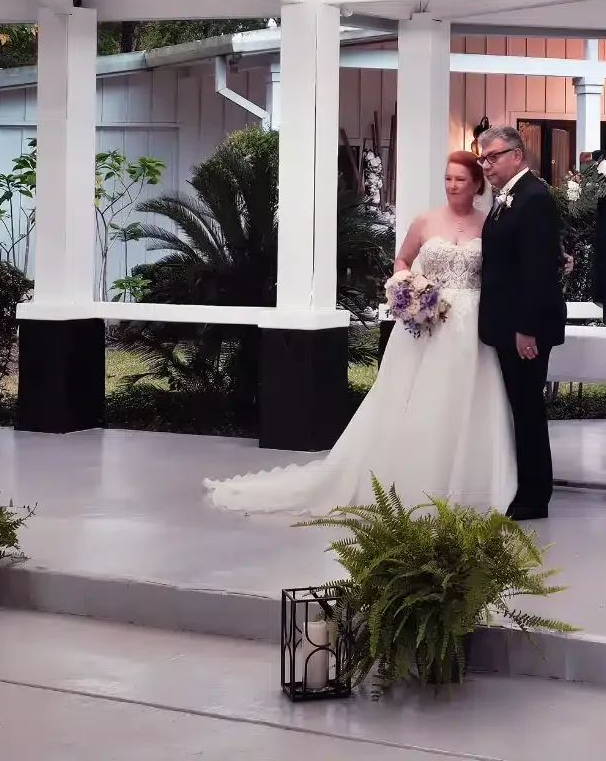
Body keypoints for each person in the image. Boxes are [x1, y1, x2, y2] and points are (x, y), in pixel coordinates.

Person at [203, 150, 517, 516]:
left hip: (473, 324)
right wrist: (409, 288)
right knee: (413, 399)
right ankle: (411, 481)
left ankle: (469, 484)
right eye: (447, 178)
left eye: (460, 180)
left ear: (477, 184)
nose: (452, 186)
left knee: (470, 398)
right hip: (427, 322)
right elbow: (402, 260)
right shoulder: (426, 220)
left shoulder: (490, 224)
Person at [477, 125, 567, 521]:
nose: (486, 165)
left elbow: (535, 271)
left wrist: (526, 328)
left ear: (517, 155)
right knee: (518, 406)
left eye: (493, 157)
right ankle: (520, 486)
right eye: (483, 158)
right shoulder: (509, 197)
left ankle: (534, 496)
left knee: (528, 408)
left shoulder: (534, 198)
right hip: (506, 321)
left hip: (524, 327)